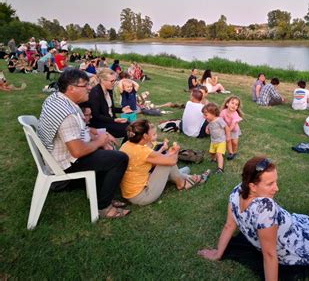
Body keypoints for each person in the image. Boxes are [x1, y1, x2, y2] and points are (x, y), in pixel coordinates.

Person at [198, 157, 309, 280]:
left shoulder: (237, 191)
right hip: (299, 242)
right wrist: (217, 253)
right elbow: (268, 254)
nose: (276, 188)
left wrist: (217, 253)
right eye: (270, 184)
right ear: (253, 186)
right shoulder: (263, 208)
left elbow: (230, 226)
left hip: (295, 227)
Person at [37, 69, 130, 218]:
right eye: (85, 85)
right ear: (71, 88)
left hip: (55, 156)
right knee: (119, 159)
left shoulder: (56, 98)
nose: (89, 88)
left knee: (107, 153)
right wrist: (100, 141)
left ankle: (101, 193)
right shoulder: (67, 113)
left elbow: (75, 131)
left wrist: (93, 132)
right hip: (65, 164)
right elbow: (77, 152)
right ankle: (104, 207)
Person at [119, 119, 210, 206]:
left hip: (132, 191)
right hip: (142, 196)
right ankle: (182, 183)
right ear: (145, 136)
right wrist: (176, 151)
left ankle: (183, 176)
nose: (155, 134)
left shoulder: (127, 145)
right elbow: (172, 161)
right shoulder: (143, 151)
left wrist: (168, 154)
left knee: (172, 163)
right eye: (152, 133)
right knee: (168, 163)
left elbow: (153, 160)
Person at [88, 68, 131, 139]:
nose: (114, 83)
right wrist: (113, 120)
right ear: (102, 80)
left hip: (110, 120)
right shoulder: (95, 93)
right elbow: (96, 115)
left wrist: (122, 110)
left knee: (133, 126)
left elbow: (110, 108)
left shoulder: (109, 90)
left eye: (115, 80)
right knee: (130, 129)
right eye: (112, 81)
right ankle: (125, 148)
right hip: (100, 124)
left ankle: (125, 148)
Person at [203, 103, 230, 174]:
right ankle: (213, 159)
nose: (204, 117)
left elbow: (226, 128)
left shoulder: (219, 120)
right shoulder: (209, 120)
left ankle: (220, 168)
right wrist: (207, 128)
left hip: (221, 141)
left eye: (206, 115)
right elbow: (209, 125)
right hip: (213, 141)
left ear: (213, 113)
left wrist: (228, 137)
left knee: (219, 154)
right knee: (212, 152)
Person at [220, 96, 243, 160]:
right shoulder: (223, 112)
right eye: (232, 103)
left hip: (234, 130)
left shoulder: (235, 114)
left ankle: (235, 152)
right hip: (226, 128)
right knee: (228, 141)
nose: (234, 105)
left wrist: (228, 132)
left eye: (236, 105)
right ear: (227, 104)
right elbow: (220, 120)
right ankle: (230, 153)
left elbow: (233, 124)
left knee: (234, 143)